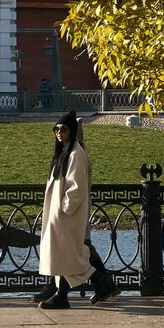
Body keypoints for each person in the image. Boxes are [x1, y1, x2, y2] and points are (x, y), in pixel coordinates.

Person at [37, 111, 118, 308]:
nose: (58, 132)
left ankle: (66, 294)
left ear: (71, 131)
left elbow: (76, 187)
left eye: (63, 129)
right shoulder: (65, 153)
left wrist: (65, 208)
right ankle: (98, 284)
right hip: (60, 215)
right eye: (56, 129)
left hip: (66, 215)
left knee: (70, 256)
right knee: (66, 255)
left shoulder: (75, 154)